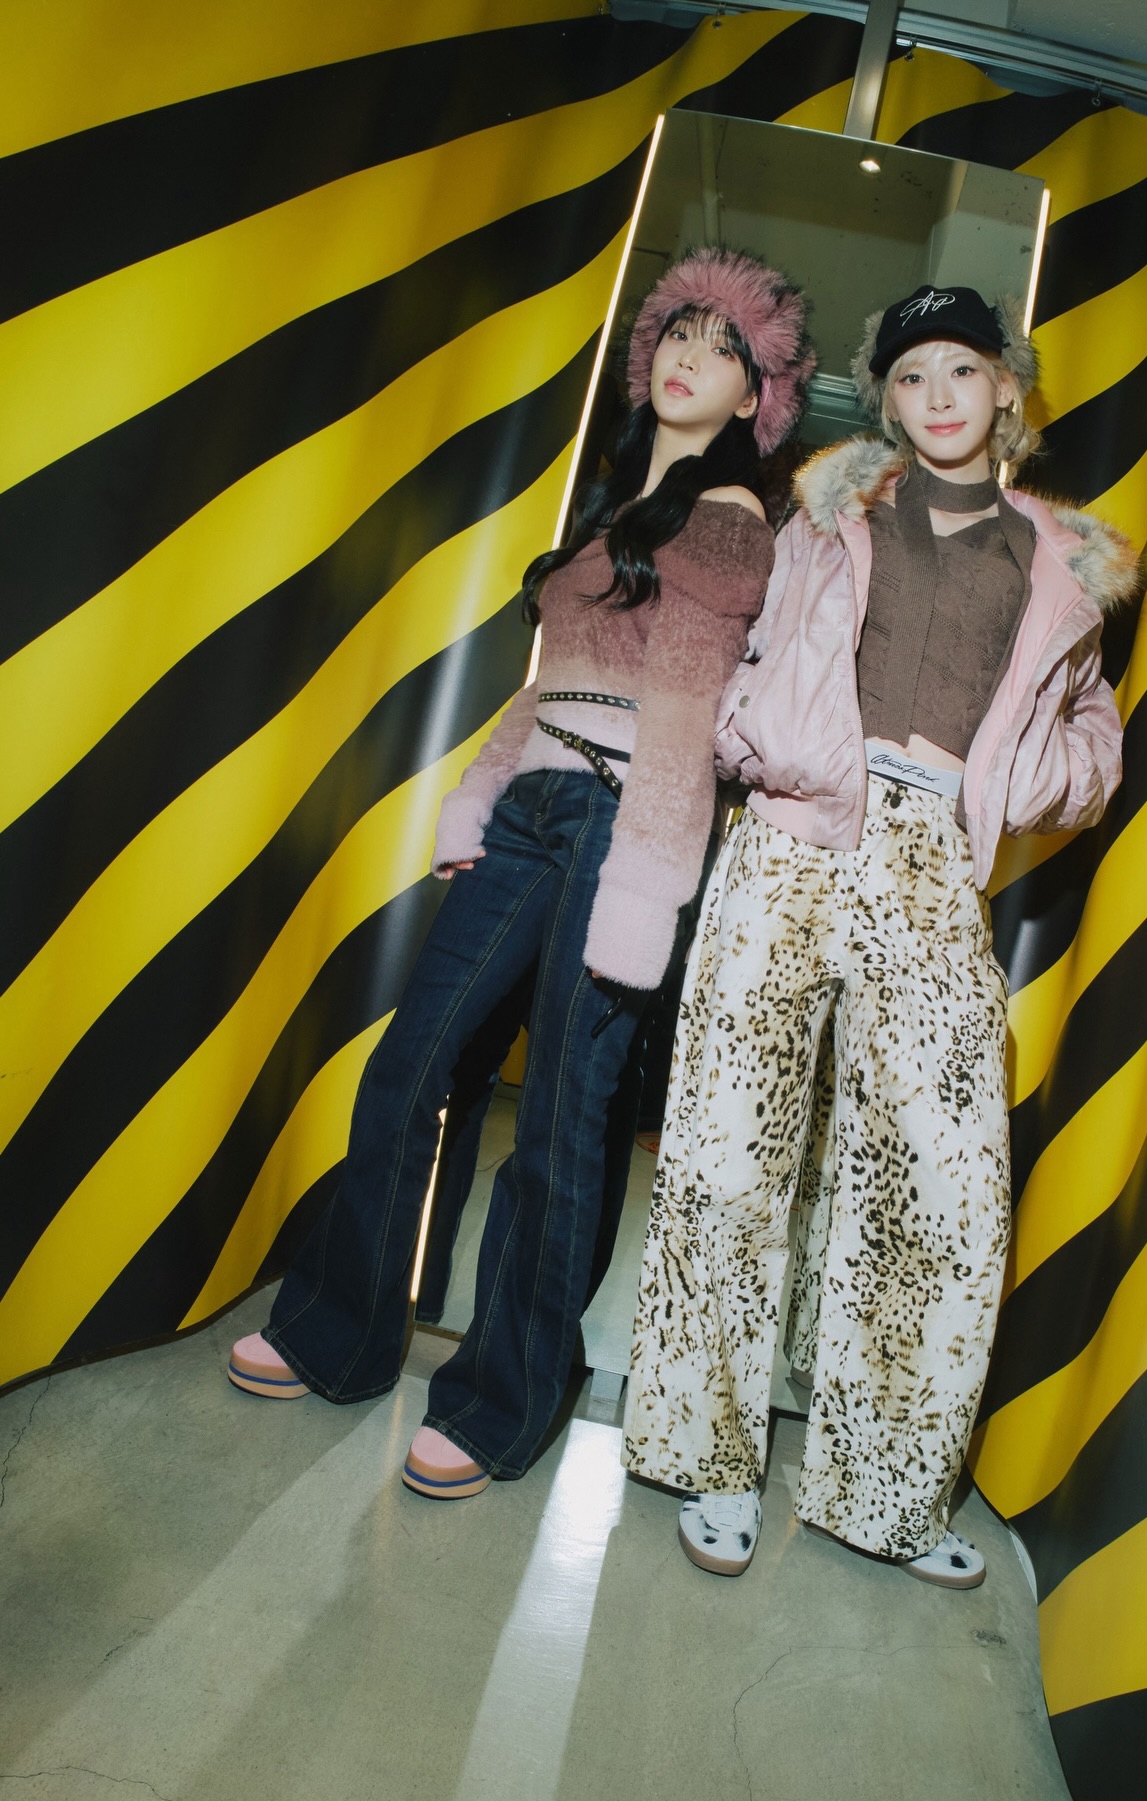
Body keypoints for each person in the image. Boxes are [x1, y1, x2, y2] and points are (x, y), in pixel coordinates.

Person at [228, 248, 814, 1499]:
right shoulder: (612, 512)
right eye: (677, 333)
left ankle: (501, 1403)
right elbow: (546, 691)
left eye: (721, 349)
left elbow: (682, 720)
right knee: (413, 1062)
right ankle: (339, 1330)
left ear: (756, 394)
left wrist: (648, 887)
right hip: (540, 807)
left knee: (559, 1121)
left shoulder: (729, 519)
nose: (689, 357)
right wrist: (480, 792)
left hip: (622, 822)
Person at [623, 284, 1138, 1584]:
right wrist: (754, 737)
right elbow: (745, 642)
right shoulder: (828, 512)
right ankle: (709, 1454)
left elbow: (1090, 729)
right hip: (792, 835)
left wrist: (1026, 781)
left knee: (937, 1182)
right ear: (888, 398)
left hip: (929, 857)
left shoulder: (1063, 563)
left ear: (1008, 385)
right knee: (728, 1150)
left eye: (962, 369)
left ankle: (887, 1492)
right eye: (910, 376)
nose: (936, 397)